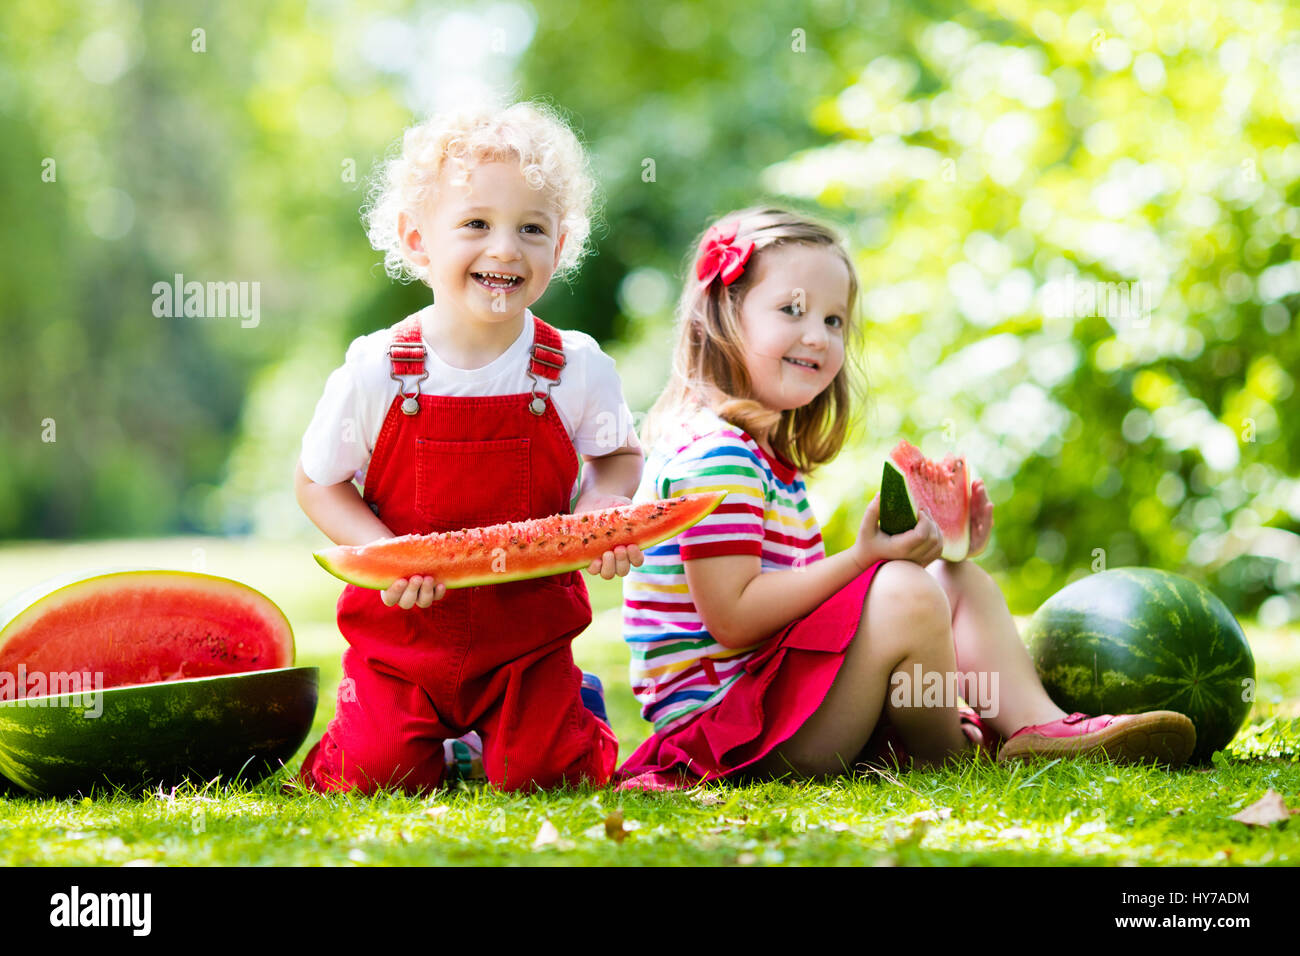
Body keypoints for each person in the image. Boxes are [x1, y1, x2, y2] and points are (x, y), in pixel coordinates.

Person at [617, 206, 1196, 790]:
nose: (817, 335)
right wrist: (865, 561)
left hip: (779, 705)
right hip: (735, 735)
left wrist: (936, 543)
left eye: (835, 319)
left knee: (955, 579)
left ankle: (1041, 729)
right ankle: (948, 749)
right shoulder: (717, 456)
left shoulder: (760, 458)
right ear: (724, 315)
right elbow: (736, 619)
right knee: (903, 590)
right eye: (792, 309)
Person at [293, 101, 643, 794]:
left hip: (530, 640)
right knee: (376, 776)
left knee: (547, 775)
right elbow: (317, 482)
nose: (505, 248)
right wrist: (381, 555)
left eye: (531, 229)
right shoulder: (378, 368)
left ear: (561, 246)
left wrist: (604, 509)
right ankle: (438, 744)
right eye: (476, 224)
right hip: (401, 640)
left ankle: (575, 707)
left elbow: (618, 456)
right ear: (417, 239)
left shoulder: (575, 366)